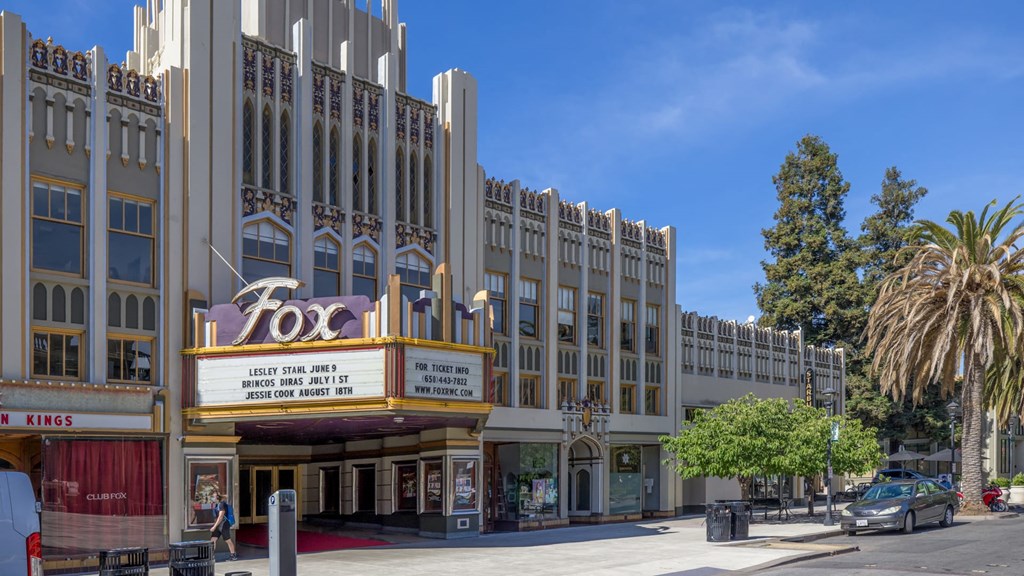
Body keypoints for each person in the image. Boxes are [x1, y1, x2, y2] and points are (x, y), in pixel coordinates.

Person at [209, 491, 238, 561]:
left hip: (224, 525)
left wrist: (214, 526)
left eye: (213, 496)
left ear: (217, 498)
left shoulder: (222, 504)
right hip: (218, 525)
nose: (212, 498)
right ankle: (211, 557)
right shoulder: (216, 505)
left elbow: (221, 517)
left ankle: (233, 555)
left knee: (227, 540)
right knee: (213, 540)